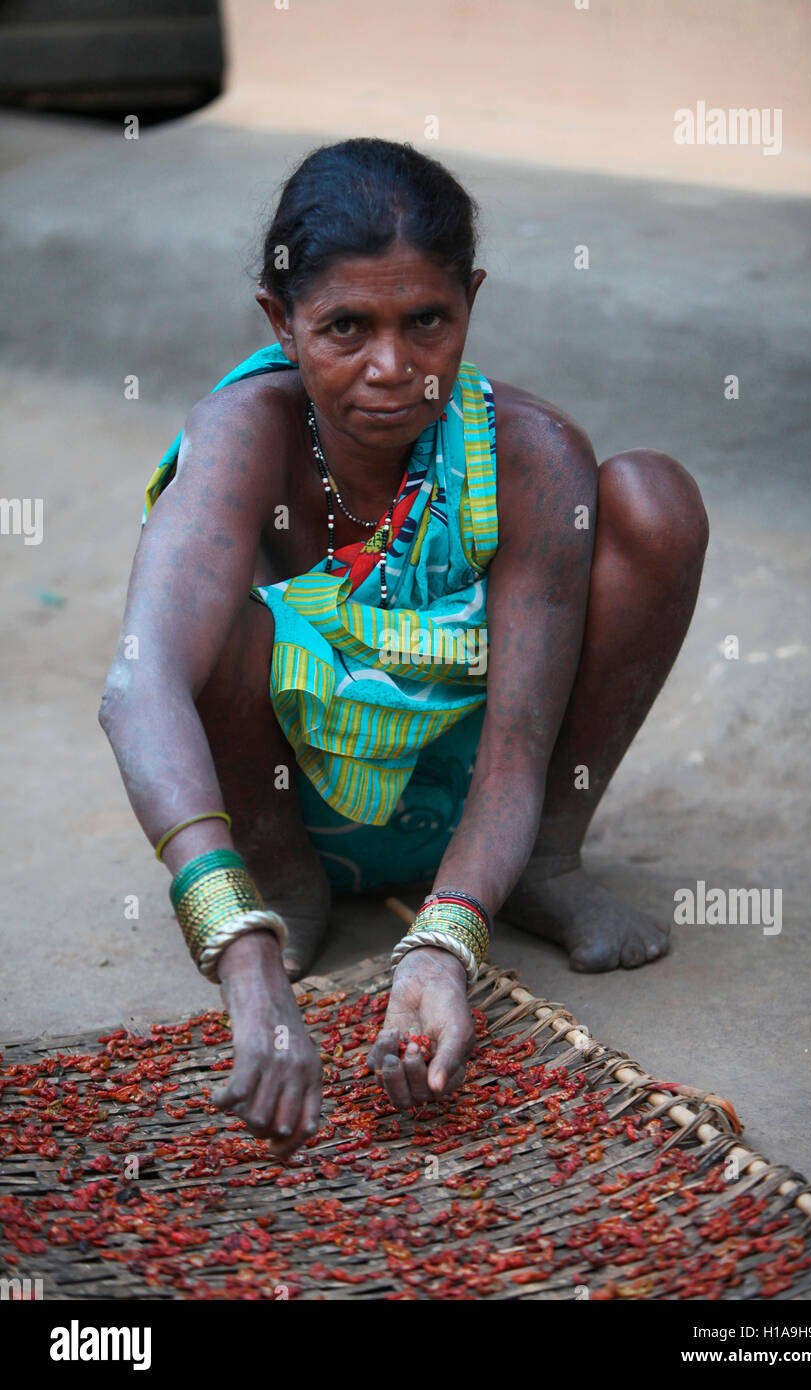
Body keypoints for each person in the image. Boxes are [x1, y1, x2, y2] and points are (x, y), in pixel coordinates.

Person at [98, 137, 709, 1158]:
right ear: (278, 321)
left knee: (649, 496)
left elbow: (515, 750)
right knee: (211, 627)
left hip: (483, 814)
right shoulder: (243, 433)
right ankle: (284, 879)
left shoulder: (526, 452)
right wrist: (237, 946)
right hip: (289, 791)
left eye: (426, 321)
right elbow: (138, 683)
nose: (392, 368)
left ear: (469, 300)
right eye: (344, 326)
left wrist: (444, 942)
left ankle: (543, 867)